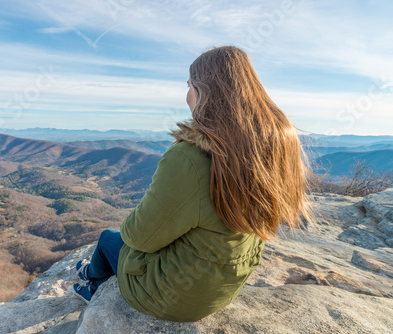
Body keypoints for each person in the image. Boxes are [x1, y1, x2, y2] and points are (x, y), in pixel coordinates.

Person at [71, 45, 318, 322]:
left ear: (203, 90)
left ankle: (90, 284)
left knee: (108, 238)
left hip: (170, 297)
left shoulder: (190, 156)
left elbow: (138, 237)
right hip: (223, 290)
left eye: (189, 85)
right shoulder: (276, 146)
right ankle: (90, 275)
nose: (187, 93)